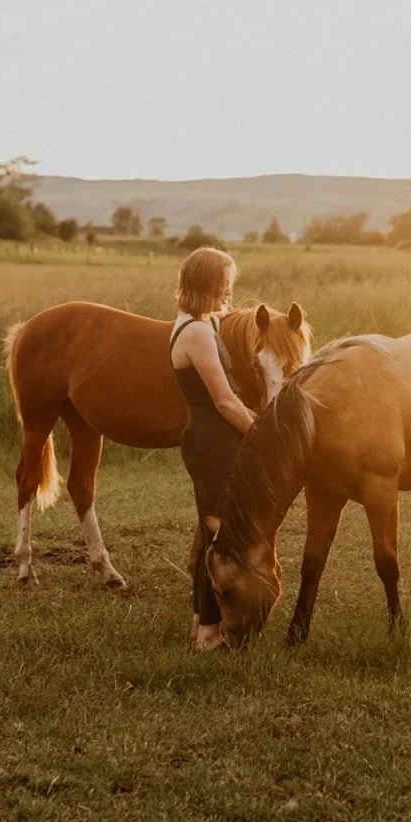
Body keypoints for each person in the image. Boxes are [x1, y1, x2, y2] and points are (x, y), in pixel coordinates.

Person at [169, 246, 256, 652]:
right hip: (214, 440)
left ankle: (200, 622)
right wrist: (263, 432)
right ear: (207, 284)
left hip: (211, 438)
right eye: (224, 284)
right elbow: (224, 401)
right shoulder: (198, 333)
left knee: (210, 532)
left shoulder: (196, 322)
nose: (229, 291)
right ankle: (208, 633)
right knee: (217, 536)